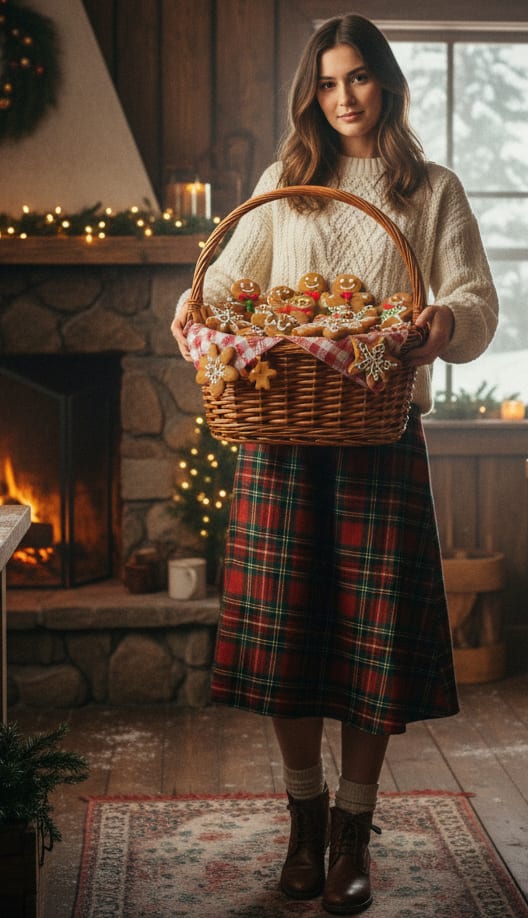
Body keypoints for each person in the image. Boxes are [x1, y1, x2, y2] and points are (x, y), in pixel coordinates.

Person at [171, 13, 498, 915]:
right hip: (282, 432)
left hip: (378, 434)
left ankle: (355, 826)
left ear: (385, 81)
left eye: (357, 77)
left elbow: (474, 296)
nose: (343, 96)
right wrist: (195, 310)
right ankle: (304, 821)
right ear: (309, 94)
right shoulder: (286, 182)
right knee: (286, 635)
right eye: (326, 82)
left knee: (370, 641)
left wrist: (444, 322)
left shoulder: (431, 188)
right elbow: (227, 283)